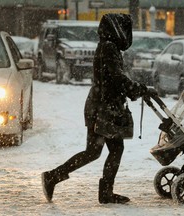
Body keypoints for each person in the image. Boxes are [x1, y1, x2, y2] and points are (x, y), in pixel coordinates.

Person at [41, 13, 155, 204]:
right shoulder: (109, 48)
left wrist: (134, 89)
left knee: (109, 149)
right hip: (103, 108)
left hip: (103, 106)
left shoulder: (109, 47)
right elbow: (116, 78)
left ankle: (102, 191)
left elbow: (115, 79)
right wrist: (137, 89)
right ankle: (54, 177)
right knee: (98, 150)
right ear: (117, 29)